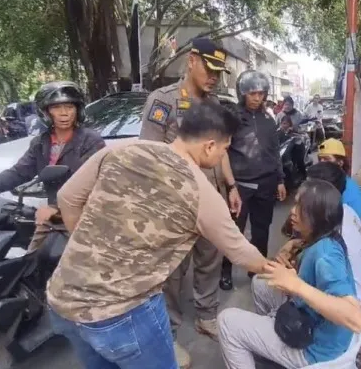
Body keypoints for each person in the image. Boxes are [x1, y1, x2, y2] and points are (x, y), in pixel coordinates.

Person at [46, 102, 268, 369]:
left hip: (64, 299)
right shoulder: (201, 193)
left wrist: (92, 251)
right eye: (224, 148)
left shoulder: (122, 149)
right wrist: (273, 268)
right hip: (121, 314)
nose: (223, 155)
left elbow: (67, 198)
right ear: (209, 146)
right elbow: (241, 253)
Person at [139, 37, 240, 366]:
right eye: (209, 68)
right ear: (192, 60)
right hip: (176, 203)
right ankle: (167, 333)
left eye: (218, 71)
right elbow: (150, 155)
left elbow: (220, 149)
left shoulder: (215, 106)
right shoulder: (163, 100)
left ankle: (206, 314)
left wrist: (232, 186)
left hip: (211, 198)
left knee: (210, 259)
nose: (214, 76)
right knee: (172, 270)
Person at [217, 179, 361, 369]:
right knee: (261, 283)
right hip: (317, 327)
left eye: (301, 207)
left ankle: (277, 352)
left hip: (316, 349)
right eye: (295, 203)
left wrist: (296, 285)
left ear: (317, 216)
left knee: (227, 323)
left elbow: (355, 319)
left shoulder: (325, 256)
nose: (293, 211)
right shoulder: (323, 237)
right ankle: (270, 356)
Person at [0, 81, 105, 250]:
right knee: (32, 262)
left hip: (83, 217)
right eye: (56, 108)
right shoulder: (41, 143)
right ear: (45, 112)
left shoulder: (90, 141)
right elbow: (17, 173)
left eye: (69, 107)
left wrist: (55, 208)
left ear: (77, 109)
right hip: (52, 218)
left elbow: (92, 184)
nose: (64, 113)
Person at [219, 70, 286, 291]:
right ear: (243, 93)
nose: (257, 98)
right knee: (234, 231)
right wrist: (231, 186)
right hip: (242, 187)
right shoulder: (233, 117)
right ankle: (226, 271)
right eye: (252, 93)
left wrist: (280, 180)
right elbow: (223, 151)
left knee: (261, 230)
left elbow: (275, 152)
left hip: (266, 185)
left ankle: (256, 269)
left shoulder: (268, 118)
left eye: (261, 93)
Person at [305, 162, 361, 304]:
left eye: (307, 190)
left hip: (349, 301)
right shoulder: (346, 209)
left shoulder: (331, 229)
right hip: (359, 290)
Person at [317, 138, 361, 220]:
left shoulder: (351, 190)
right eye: (320, 159)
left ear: (340, 162)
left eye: (327, 159)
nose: (322, 163)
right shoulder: (318, 184)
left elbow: (354, 224)